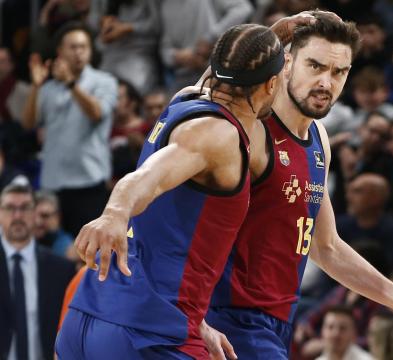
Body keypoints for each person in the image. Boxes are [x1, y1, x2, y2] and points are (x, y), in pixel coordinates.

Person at [202, 12, 393, 360]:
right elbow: (200, 100)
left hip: (277, 319)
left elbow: (326, 246)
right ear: (286, 64)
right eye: (314, 66)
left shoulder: (319, 141)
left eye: (338, 72)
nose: (326, 83)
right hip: (225, 315)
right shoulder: (249, 125)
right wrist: (268, 36)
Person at [56, 18, 301, 360]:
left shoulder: (186, 99)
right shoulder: (219, 135)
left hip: (85, 319)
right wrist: (114, 212)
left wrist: (273, 35)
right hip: (149, 334)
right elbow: (147, 178)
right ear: (272, 83)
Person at [22, 22, 118, 236]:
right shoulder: (47, 88)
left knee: (87, 252)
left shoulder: (105, 82)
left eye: (84, 47)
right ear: (60, 51)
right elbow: (28, 123)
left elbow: (97, 112)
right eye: (73, 47)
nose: (79, 52)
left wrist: (71, 84)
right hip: (53, 183)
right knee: (52, 249)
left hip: (89, 183)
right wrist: (36, 87)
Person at [0, 184, 76, 360]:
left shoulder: (61, 269)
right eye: (10, 208)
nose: (17, 216)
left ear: (35, 214)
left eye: (25, 207)